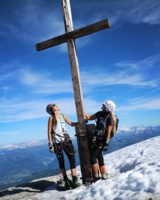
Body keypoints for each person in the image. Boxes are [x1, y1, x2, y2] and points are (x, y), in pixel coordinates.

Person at [46, 103, 81, 189]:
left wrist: (80, 123)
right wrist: (50, 144)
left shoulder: (62, 115)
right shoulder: (51, 118)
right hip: (57, 142)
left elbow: (71, 123)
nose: (57, 106)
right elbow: (49, 132)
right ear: (52, 109)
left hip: (66, 140)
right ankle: (65, 179)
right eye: (54, 105)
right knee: (61, 161)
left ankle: (74, 178)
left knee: (72, 159)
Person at [85, 100, 118, 181]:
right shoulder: (99, 113)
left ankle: (96, 177)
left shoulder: (110, 118)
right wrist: (83, 111)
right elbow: (89, 118)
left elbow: (108, 133)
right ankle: (104, 175)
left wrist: (106, 143)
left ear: (107, 108)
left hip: (102, 141)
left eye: (103, 105)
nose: (102, 106)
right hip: (96, 139)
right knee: (99, 157)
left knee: (92, 158)